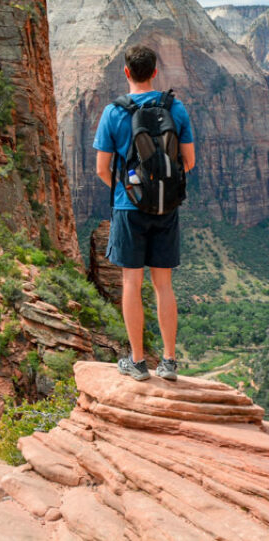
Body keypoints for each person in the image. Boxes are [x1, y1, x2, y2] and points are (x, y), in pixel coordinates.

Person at [93, 44, 195, 381]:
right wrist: (160, 190)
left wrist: (130, 191)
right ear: (154, 72)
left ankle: (137, 363)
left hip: (127, 207)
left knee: (131, 283)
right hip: (167, 206)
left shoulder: (113, 112)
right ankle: (168, 362)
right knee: (163, 285)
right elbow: (189, 162)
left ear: (126, 72)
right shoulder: (175, 108)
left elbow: (101, 169)